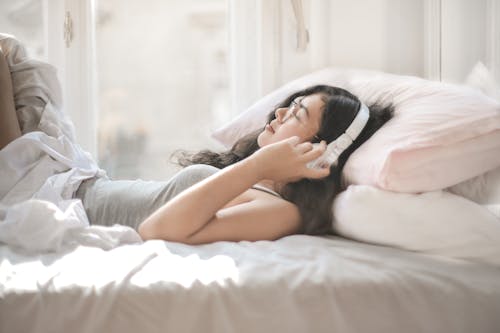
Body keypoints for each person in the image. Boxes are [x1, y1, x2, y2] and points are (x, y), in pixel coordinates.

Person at [0, 47, 393, 245]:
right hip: (70, 178)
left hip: (46, 196)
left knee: (7, 57)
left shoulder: (282, 214)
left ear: (321, 152)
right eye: (288, 105)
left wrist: (259, 166)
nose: (279, 114)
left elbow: (157, 230)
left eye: (298, 114)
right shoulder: (255, 182)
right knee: (21, 60)